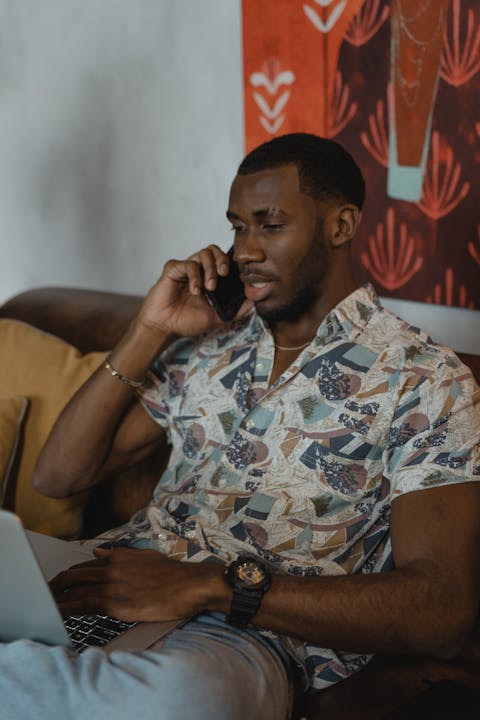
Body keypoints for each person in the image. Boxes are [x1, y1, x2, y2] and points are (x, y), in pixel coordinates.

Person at [1, 133, 479, 720]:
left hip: (244, 633)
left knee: (183, 698)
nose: (245, 250)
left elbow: (441, 612)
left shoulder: (427, 382)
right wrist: (149, 328)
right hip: (109, 577)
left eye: (269, 225)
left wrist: (210, 585)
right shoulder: (209, 346)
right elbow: (58, 475)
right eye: (237, 227)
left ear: (341, 226)